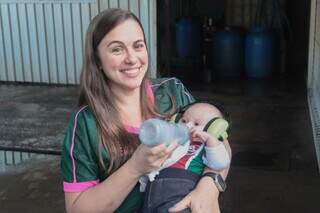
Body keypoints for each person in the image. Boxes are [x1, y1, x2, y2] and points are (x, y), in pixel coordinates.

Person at [60, 8, 231, 213]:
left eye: (138, 46)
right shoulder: (86, 123)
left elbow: (219, 141)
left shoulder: (171, 92)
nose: (132, 58)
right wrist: (135, 167)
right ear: (97, 61)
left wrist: (209, 186)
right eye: (117, 49)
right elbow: (77, 209)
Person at [140, 102, 231, 213]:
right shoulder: (173, 139)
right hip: (152, 188)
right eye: (183, 121)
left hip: (182, 189)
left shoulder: (206, 145)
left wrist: (210, 140)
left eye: (196, 124)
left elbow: (220, 163)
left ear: (213, 129)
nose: (188, 126)